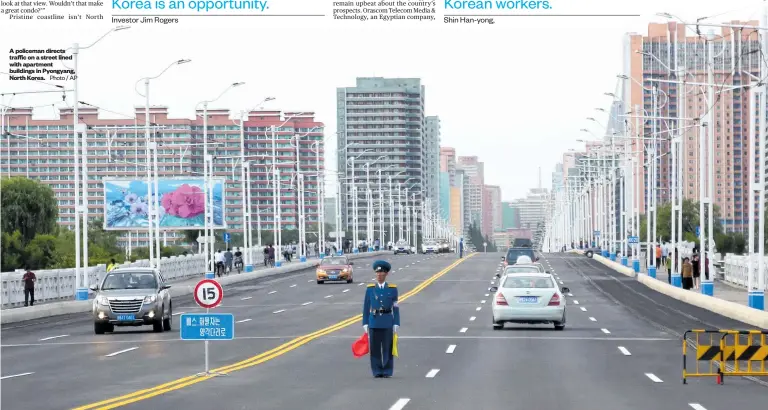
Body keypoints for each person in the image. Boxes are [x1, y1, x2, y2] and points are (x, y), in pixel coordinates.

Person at [362, 260, 400, 378]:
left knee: (388, 349)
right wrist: (365, 322)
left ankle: (387, 371)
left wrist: (396, 322)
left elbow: (396, 307)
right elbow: (366, 307)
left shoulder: (392, 289)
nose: (379, 275)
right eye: (377, 273)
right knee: (375, 349)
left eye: (381, 273)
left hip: (388, 321)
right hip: (374, 321)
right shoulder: (370, 289)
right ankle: (377, 370)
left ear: (386, 274)